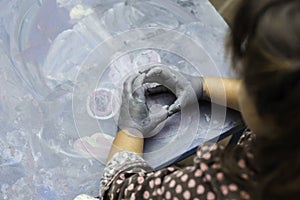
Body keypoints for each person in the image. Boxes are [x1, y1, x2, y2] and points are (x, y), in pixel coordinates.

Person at [75, 0, 300, 199]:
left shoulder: (225, 185)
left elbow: (120, 190)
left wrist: (130, 130)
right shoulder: (289, 134)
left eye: (248, 81)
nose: (241, 85)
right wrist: (202, 86)